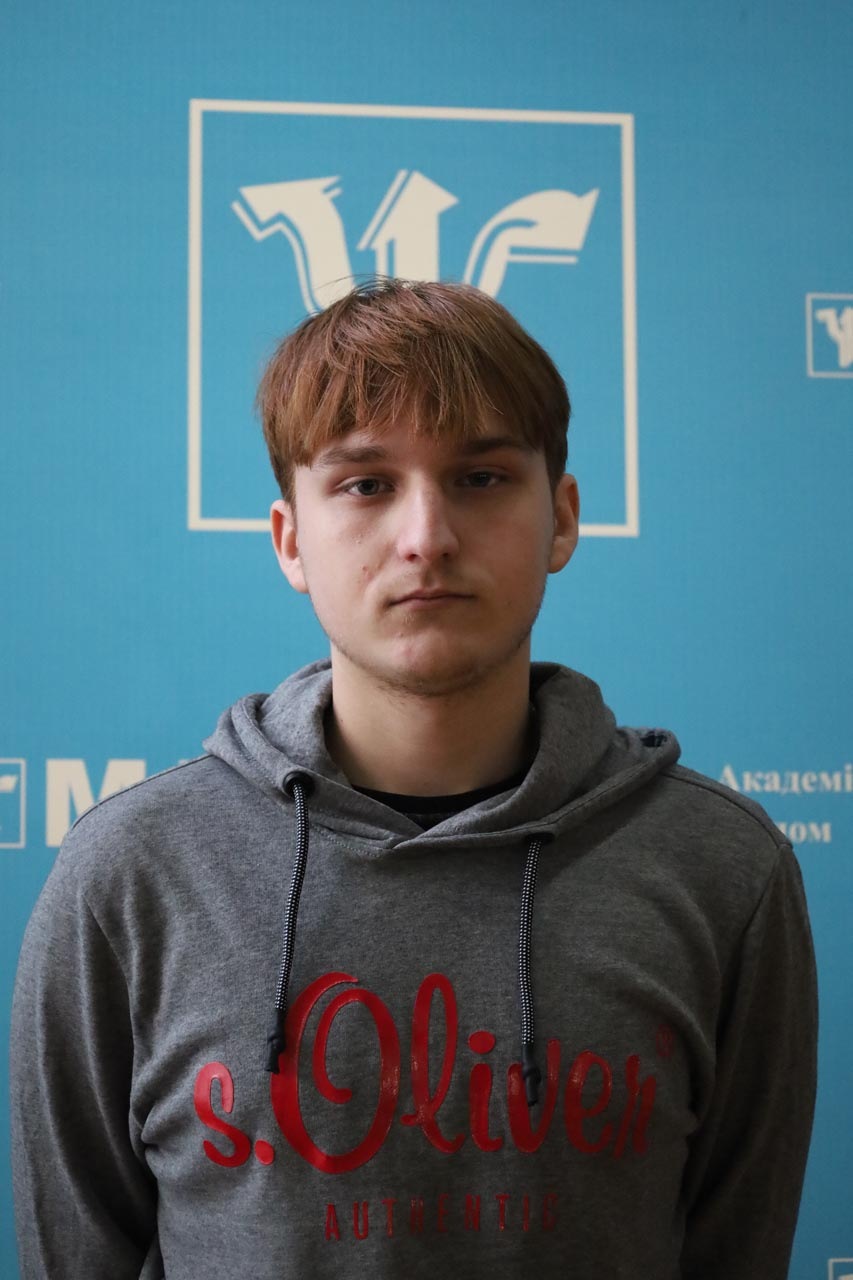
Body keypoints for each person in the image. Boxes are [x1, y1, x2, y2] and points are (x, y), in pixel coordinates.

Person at [11, 279, 817, 1279]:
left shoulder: (720, 870)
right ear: (290, 540)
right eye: (365, 484)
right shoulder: (132, 874)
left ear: (562, 518)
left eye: (480, 477)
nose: (426, 535)